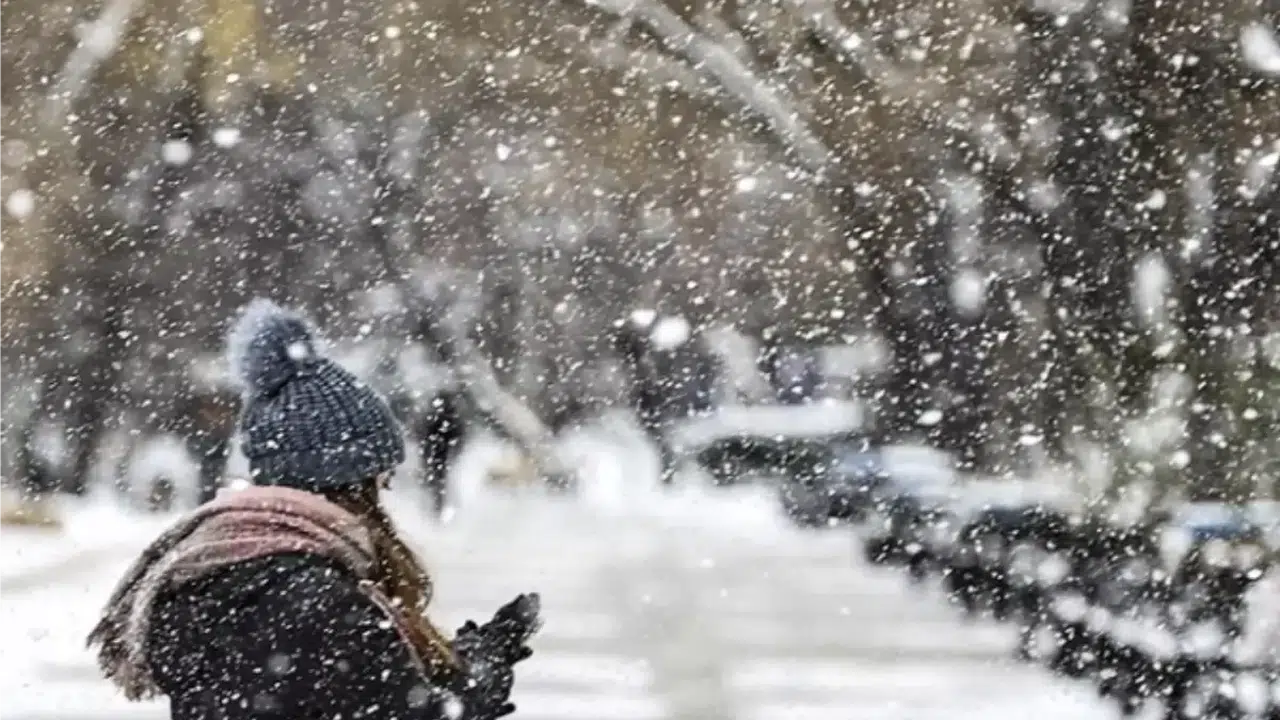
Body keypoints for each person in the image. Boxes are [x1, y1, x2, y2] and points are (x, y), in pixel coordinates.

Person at [87, 299, 540, 719]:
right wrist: (484, 677)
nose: (384, 492)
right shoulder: (316, 603)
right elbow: (413, 711)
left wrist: (472, 658)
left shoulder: (214, 573)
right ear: (347, 481)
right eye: (377, 478)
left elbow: (362, 690)